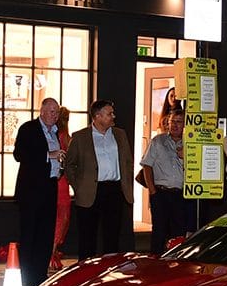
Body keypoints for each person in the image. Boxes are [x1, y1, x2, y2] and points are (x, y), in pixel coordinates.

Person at [64, 100, 134, 260]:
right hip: (90, 192)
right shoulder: (80, 137)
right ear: (97, 116)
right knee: (87, 237)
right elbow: (70, 165)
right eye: (109, 114)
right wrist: (79, 187)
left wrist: (126, 182)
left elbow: (128, 161)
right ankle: (85, 273)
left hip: (115, 190)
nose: (113, 116)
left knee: (112, 236)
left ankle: (110, 271)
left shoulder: (120, 134)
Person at [13, 98, 62, 286]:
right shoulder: (29, 128)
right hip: (31, 191)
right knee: (30, 235)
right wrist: (49, 155)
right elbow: (19, 154)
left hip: (50, 188)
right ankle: (27, 277)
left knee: (45, 235)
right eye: (51, 112)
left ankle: (40, 275)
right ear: (41, 111)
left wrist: (60, 165)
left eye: (57, 113)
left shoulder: (56, 132)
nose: (54, 116)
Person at [141, 110, 188, 254]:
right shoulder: (158, 141)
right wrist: (152, 191)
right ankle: (155, 262)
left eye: (179, 122)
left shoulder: (191, 144)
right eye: (172, 121)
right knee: (159, 232)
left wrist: (186, 156)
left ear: (185, 125)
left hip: (181, 195)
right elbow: (146, 165)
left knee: (178, 233)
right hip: (160, 193)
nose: (174, 125)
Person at [50, 106, 73, 272]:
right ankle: (53, 250)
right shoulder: (64, 137)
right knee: (62, 217)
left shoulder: (55, 136)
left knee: (55, 217)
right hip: (62, 182)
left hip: (56, 181)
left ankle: (51, 250)